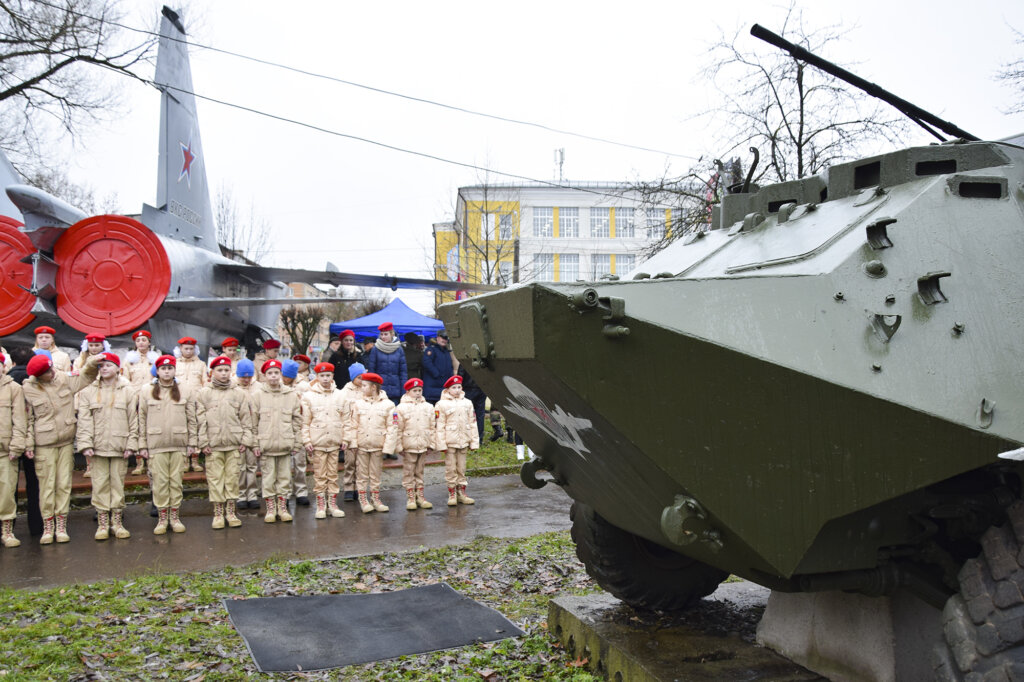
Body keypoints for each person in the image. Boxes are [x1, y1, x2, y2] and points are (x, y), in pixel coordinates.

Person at [22, 352, 100, 543]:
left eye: (52, 368)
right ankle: (48, 527)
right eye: (48, 372)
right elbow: (27, 420)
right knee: (47, 487)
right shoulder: (28, 389)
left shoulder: (63, 379)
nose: (53, 373)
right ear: (39, 376)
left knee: (64, 485)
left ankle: (61, 526)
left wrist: (90, 363)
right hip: (44, 445)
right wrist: (28, 444)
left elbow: (85, 378)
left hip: (65, 442)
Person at [76, 352, 138, 541]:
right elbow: (84, 421)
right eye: (101, 366)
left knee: (117, 484)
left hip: (120, 445)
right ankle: (103, 524)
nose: (104, 369)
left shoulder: (128, 391)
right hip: (98, 446)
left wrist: (131, 444)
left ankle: (117, 523)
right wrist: (85, 444)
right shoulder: (88, 392)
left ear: (118, 368)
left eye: (108, 365)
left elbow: (133, 420)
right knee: (100, 484)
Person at [138, 355, 201, 535]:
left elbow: (192, 418)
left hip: (178, 444)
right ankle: (162, 518)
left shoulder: (185, 390)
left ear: (175, 370)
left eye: (170, 368)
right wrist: (142, 445)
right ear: (157, 371)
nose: (167, 371)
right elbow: (141, 419)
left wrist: (192, 442)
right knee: (159, 482)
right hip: (156, 444)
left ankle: (174, 517)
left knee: (176, 482)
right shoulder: (146, 391)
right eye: (163, 368)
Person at [196, 355, 252, 529]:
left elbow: (246, 419)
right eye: (219, 370)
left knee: (232, 478)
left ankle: (231, 511)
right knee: (215, 478)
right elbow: (199, 420)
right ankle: (218, 513)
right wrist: (203, 442)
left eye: (226, 370)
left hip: (233, 443)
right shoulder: (204, 393)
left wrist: (245, 440)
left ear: (231, 372)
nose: (223, 373)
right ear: (212, 372)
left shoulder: (238, 393)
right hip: (213, 445)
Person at [250, 359, 303, 523]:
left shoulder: (291, 395)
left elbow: (297, 421)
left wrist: (297, 443)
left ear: (281, 374)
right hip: (266, 445)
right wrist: (255, 444)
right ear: (264, 376)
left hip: (285, 444)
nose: (273, 376)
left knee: (285, 478)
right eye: (269, 373)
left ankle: (282, 507)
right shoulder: (257, 396)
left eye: (276, 373)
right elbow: (252, 423)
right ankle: (270, 508)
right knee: (268, 478)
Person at [345, 372, 396, 514]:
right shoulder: (358, 404)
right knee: (361, 474)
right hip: (362, 445)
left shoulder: (388, 405)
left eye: (365, 385)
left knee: (376, 474)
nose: (362, 388)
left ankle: (376, 498)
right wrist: (353, 443)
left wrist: (388, 446)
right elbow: (353, 424)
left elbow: (392, 426)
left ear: (374, 387)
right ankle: (363, 499)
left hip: (377, 445)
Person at [301, 362, 346, 519]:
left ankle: (332, 504)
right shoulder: (308, 397)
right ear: (317, 377)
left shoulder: (340, 395)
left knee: (333, 474)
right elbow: (305, 422)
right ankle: (321, 504)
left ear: (332, 376)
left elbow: (346, 419)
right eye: (322, 376)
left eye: (328, 375)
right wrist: (307, 441)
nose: (325, 379)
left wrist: (345, 438)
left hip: (334, 442)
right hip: (317, 443)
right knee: (320, 475)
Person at [6, 346, 40, 538]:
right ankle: (37, 526)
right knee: (34, 483)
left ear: (13, 362)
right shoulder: (34, 382)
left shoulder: (8, 382)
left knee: (7, 485)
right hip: (33, 438)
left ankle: (7, 528)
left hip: (8, 439)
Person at [389, 378, 435, 511]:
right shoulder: (401, 408)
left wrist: (431, 444)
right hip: (409, 445)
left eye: (420, 390)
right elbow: (398, 429)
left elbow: (432, 426)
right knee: (409, 471)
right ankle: (410, 496)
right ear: (408, 392)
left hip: (423, 444)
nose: (418, 393)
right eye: (414, 391)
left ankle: (420, 496)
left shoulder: (428, 407)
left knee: (420, 471)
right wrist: (399, 446)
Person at [434, 375, 479, 506]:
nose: (457, 390)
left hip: (463, 440)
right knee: (451, 468)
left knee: (462, 468)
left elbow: (473, 423)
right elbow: (439, 426)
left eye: (459, 387)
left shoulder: (467, 403)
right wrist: (441, 444)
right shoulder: (441, 405)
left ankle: (462, 492)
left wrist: (474, 442)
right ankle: (452, 493)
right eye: (454, 387)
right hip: (450, 442)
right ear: (448, 390)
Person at [0, 352, 26, 547]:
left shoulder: (13, 388)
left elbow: (19, 420)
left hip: (5, 450)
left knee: (7, 492)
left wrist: (17, 445)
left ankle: (7, 532)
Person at [364, 322, 407, 432]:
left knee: (395, 421)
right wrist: (372, 390)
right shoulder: (375, 349)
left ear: (392, 334)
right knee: (380, 421)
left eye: (386, 334)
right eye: (381, 334)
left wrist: (403, 392)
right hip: (380, 391)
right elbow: (372, 372)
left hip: (396, 391)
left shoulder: (399, 349)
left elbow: (403, 372)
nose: (383, 337)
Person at [280, 359, 309, 507]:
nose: (285, 379)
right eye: (283, 375)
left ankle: (301, 491)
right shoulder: (277, 385)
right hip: (282, 427)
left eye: (287, 376)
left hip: (298, 426)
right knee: (284, 463)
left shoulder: (303, 386)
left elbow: (308, 407)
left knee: (299, 462)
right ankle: (283, 493)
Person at [233, 359, 262, 510]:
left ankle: (252, 493)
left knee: (252, 465)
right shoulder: (233, 388)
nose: (246, 379)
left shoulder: (259, 388)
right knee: (240, 466)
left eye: (248, 376)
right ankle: (241, 494)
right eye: (243, 377)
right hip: (239, 431)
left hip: (254, 429)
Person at [338, 362, 365, 501]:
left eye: (363, 377)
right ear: (353, 377)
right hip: (349, 430)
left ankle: (359, 487)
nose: (361, 380)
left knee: (361, 462)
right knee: (350, 461)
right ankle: (349, 486)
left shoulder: (367, 389)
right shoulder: (344, 392)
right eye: (359, 377)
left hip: (363, 429)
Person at [422, 331, 454, 403]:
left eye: (446, 339)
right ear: (438, 338)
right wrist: (436, 374)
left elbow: (449, 366)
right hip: (432, 385)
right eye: (442, 338)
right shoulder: (431, 349)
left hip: (443, 386)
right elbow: (426, 362)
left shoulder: (446, 351)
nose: (444, 340)